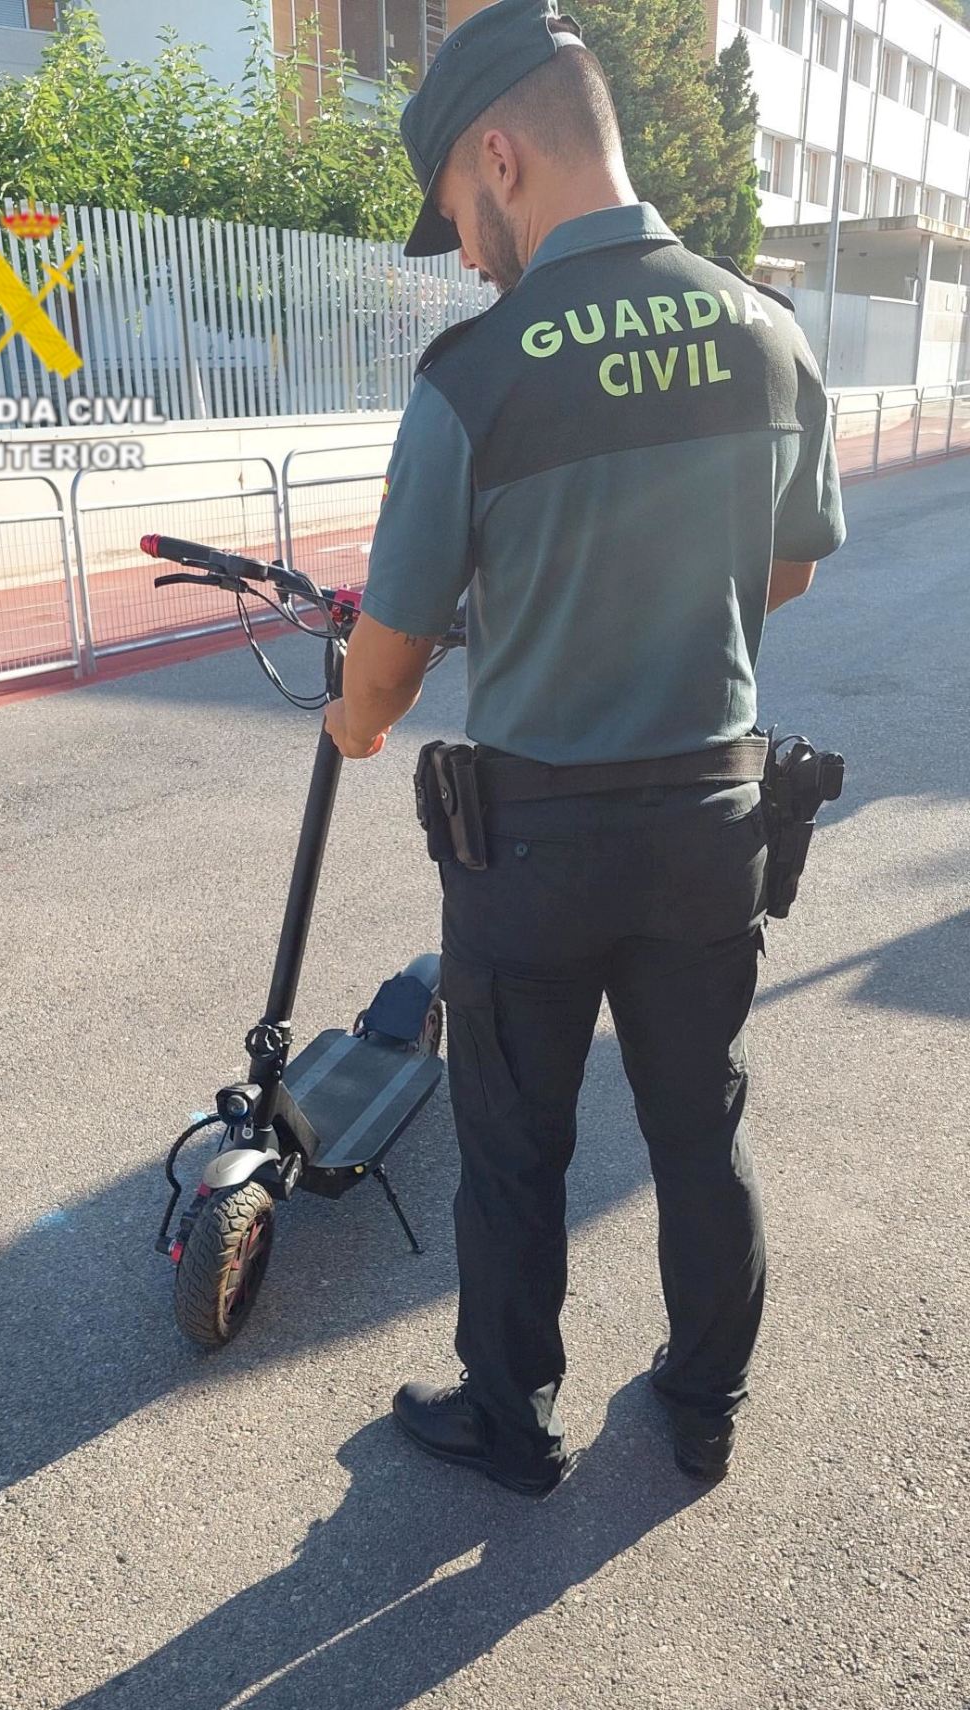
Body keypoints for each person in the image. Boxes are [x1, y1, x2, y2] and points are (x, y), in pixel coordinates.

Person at [323, 0, 845, 1493]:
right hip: (707, 830)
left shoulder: (475, 377)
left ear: (501, 155)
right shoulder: (765, 329)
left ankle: (514, 1420)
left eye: (456, 212)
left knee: (514, 1147)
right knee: (698, 1124)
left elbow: (388, 663)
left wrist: (358, 720)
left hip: (530, 852)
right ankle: (704, 1399)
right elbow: (785, 573)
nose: (463, 251)